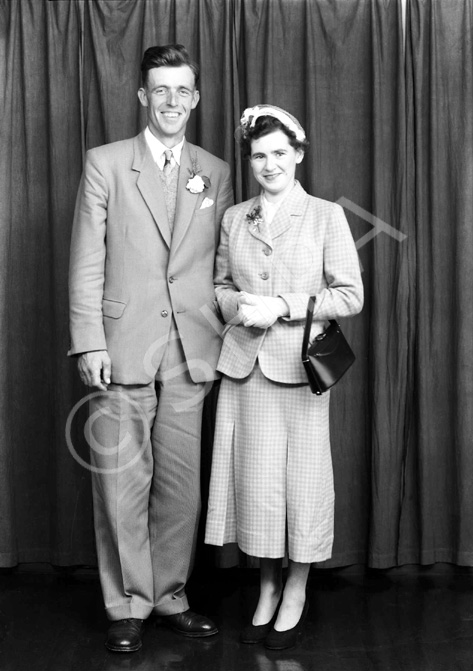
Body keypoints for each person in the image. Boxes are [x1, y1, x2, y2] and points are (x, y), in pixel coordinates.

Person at [68, 44, 233, 653]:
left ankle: (170, 596)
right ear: (143, 96)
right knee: (120, 479)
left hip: (191, 350)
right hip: (122, 344)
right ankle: (128, 603)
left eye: (181, 91)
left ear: (195, 98)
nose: (171, 101)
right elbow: (86, 261)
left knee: (180, 485)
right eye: (159, 90)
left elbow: (217, 264)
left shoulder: (213, 171)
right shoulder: (105, 164)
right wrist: (88, 340)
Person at [205, 105, 363, 650]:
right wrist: (236, 307)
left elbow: (350, 295)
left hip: (299, 372)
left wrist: (282, 306)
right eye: (258, 156)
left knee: (301, 481)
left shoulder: (325, 216)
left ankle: (297, 585)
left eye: (278, 153)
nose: (268, 164)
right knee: (257, 486)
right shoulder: (234, 217)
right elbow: (220, 285)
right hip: (244, 368)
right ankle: (267, 585)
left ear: (298, 153)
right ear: (249, 162)